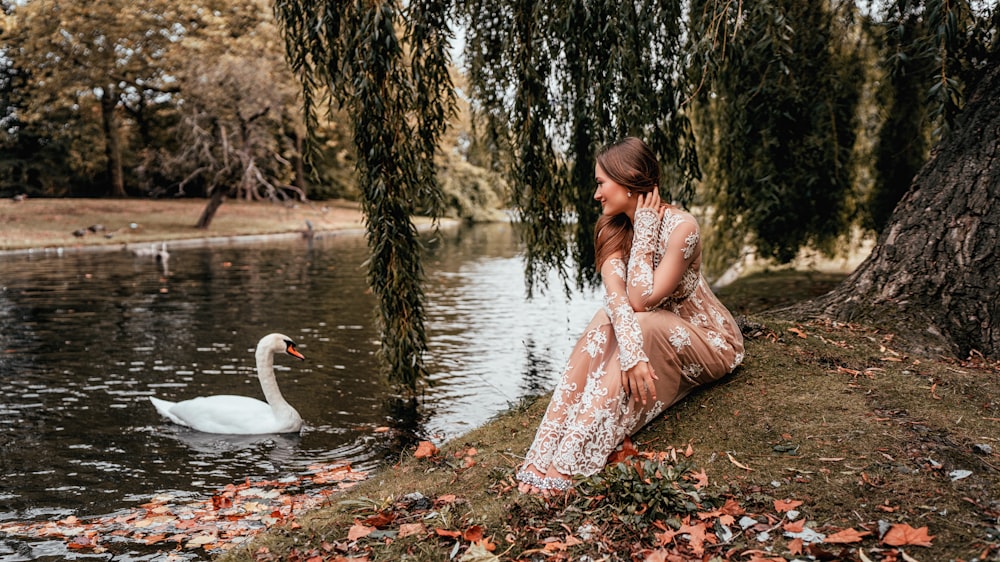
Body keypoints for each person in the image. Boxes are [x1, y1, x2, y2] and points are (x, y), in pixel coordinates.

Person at [516, 137, 745, 495]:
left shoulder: (682, 227)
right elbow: (616, 298)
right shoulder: (611, 227)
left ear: (630, 179)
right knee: (604, 321)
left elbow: (640, 299)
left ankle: (569, 463)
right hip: (647, 332)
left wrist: (646, 230)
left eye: (601, 183)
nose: (597, 194)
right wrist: (633, 355)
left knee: (641, 322)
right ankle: (542, 453)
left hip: (705, 339)